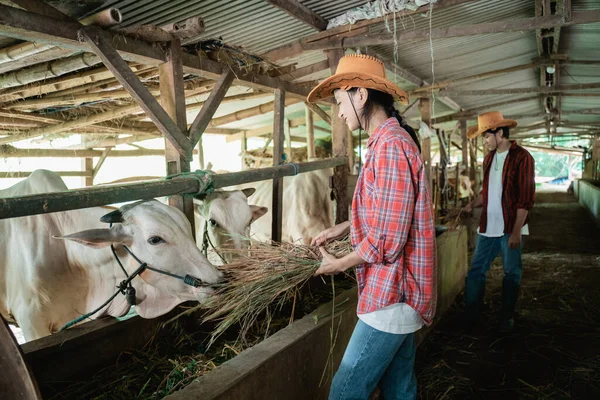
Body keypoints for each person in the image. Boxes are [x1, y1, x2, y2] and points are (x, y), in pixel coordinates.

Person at [307, 53, 437, 400]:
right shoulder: (384, 142)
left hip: (393, 293)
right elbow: (389, 212)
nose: (339, 111)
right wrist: (344, 227)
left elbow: (388, 240)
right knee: (399, 389)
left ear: (360, 95)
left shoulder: (390, 147)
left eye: (340, 102)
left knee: (345, 391)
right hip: (400, 294)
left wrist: (340, 263)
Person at [462, 111, 535, 333]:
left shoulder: (522, 158)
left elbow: (525, 198)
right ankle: (472, 316)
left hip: (510, 226)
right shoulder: (489, 159)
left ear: (500, 133)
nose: (484, 141)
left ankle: (506, 317)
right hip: (488, 227)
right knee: (476, 270)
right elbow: (488, 191)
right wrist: (471, 204)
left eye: (486, 136)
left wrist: (515, 232)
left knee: (511, 272)